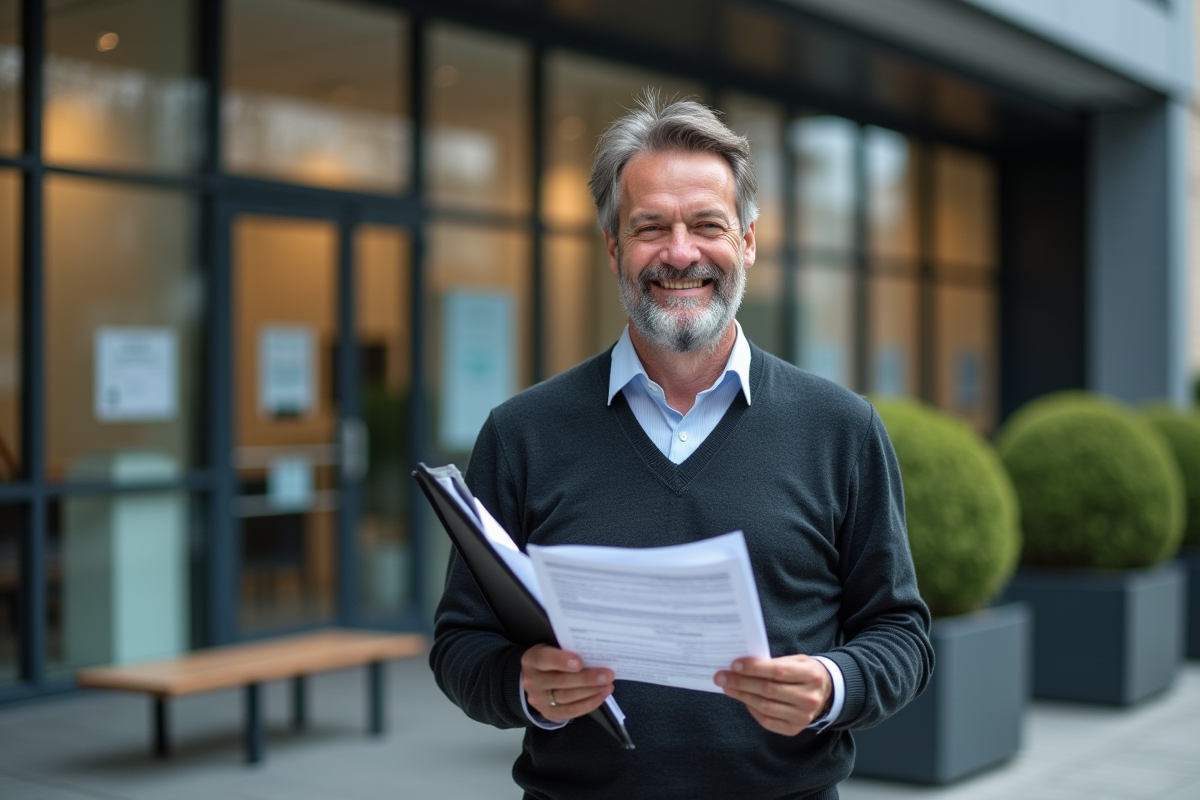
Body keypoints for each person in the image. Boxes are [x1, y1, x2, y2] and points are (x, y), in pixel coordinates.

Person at [430, 92, 934, 800]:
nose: (679, 253)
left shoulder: (841, 429)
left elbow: (901, 633)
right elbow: (459, 645)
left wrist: (832, 684)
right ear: (613, 248)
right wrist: (521, 685)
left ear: (748, 242)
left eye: (707, 224)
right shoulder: (522, 435)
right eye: (650, 227)